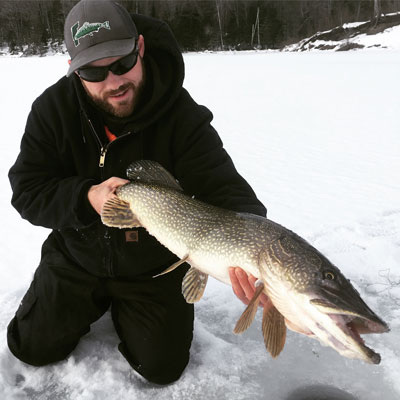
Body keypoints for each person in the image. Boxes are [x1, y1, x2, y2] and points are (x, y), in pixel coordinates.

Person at [7, 0, 267, 385]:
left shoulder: (182, 117)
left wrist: (253, 250)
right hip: (77, 257)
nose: (113, 81)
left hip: (152, 266)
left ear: (140, 48)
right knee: (29, 348)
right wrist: (85, 198)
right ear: (74, 71)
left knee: (161, 369)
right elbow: (28, 190)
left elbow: (228, 191)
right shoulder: (52, 111)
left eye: (122, 63)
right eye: (94, 71)